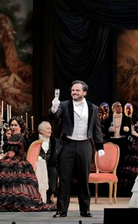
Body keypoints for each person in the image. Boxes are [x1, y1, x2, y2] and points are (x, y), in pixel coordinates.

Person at [0, 117, 55, 212]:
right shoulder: (19, 137)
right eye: (11, 125)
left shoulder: (17, 137)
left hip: (15, 162)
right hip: (19, 162)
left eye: (15, 125)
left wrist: (2, 156)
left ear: (20, 127)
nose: (13, 127)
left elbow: (11, 154)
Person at [49, 80, 104, 218]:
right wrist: (54, 109)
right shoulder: (64, 105)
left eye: (77, 90)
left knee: (83, 179)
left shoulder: (93, 108)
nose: (74, 92)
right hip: (68, 144)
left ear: (84, 92)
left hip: (85, 145)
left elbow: (97, 129)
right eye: (73, 90)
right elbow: (54, 116)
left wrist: (100, 146)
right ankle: (61, 210)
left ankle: (85, 210)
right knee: (65, 179)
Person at [32, 121, 61, 204]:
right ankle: (37, 197)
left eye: (50, 129)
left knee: (54, 171)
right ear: (41, 131)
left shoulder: (55, 142)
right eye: (48, 129)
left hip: (50, 166)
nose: (50, 131)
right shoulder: (33, 141)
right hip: (37, 167)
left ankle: (49, 195)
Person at [103, 101, 132, 170]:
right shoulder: (108, 120)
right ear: (113, 109)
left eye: (120, 106)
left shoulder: (127, 119)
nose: (120, 108)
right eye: (117, 106)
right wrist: (109, 130)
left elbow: (130, 131)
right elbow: (104, 131)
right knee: (112, 159)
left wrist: (126, 130)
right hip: (112, 141)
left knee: (121, 160)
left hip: (122, 141)